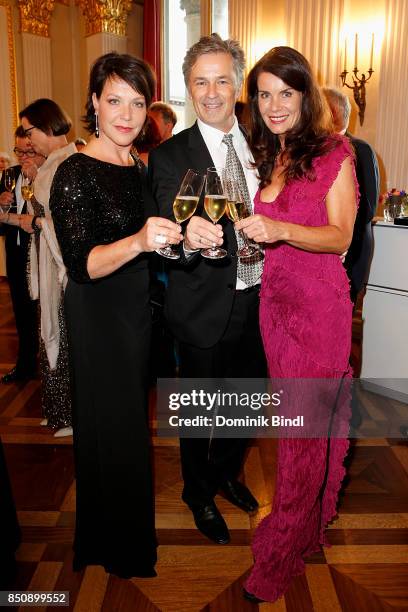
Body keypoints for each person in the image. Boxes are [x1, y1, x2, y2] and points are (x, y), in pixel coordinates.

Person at [50, 52, 182, 578]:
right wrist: (139, 240)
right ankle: (115, 545)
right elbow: (83, 265)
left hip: (135, 313)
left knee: (129, 428)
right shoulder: (74, 173)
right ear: (94, 104)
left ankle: (121, 535)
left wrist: (181, 239)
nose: (126, 114)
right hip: (99, 315)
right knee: (112, 429)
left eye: (136, 102)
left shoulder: (138, 168)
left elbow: (153, 246)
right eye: (114, 101)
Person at [235, 47, 358, 603]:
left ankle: (281, 550)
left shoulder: (335, 152)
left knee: (301, 437)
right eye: (263, 94)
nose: (274, 104)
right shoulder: (272, 155)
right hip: (275, 308)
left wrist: (281, 231)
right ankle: (305, 529)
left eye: (285, 92)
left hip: (318, 310)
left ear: (305, 96)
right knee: (300, 428)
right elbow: (266, 233)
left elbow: (340, 238)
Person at [149, 34, 266, 545]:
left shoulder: (266, 145)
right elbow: (164, 245)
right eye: (201, 81)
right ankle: (197, 492)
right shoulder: (170, 155)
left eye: (222, 79)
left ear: (238, 83)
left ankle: (223, 473)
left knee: (250, 403)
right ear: (188, 88)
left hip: (265, 302)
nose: (212, 91)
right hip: (203, 306)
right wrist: (187, 242)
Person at [19, 98, 76, 437]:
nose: (28, 142)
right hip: (48, 257)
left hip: (62, 265)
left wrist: (38, 222)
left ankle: (70, 412)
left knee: (63, 333)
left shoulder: (67, 162)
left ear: (45, 126)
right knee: (49, 329)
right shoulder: (52, 162)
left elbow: (65, 225)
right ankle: (56, 409)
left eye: (29, 132)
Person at [322, 86, 379, 302]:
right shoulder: (316, 149)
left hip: (350, 256)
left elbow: (367, 209)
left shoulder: (358, 150)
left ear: (331, 113)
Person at [0, 126, 44, 383]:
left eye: (29, 151)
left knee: (47, 312)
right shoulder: (9, 175)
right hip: (17, 255)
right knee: (21, 310)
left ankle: (55, 370)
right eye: (19, 151)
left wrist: (38, 179)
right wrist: (2, 204)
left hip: (42, 252)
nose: (24, 157)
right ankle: (25, 363)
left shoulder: (49, 175)